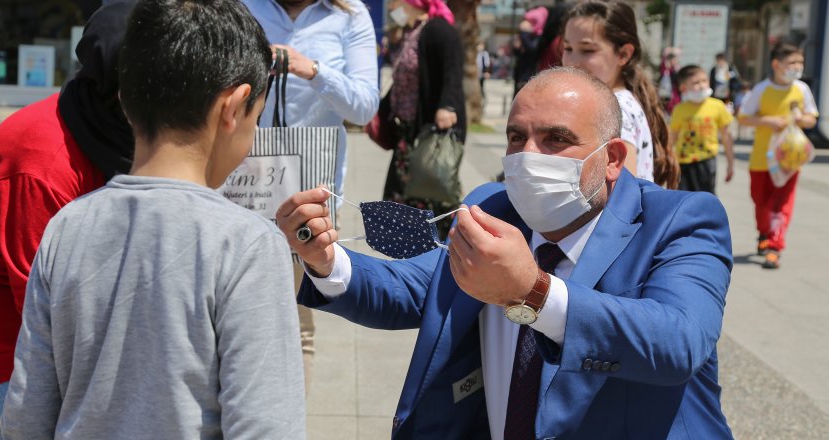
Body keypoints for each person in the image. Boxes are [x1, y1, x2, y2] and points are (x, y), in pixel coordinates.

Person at [279, 67, 734, 439]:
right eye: (517, 137)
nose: (528, 156)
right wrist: (324, 260)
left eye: (556, 139)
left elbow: (679, 342)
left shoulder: (681, 219)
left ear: (612, 158)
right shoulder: (494, 206)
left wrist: (532, 292)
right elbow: (417, 287)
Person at [0, 0, 305, 438]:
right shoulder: (248, 244)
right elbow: (267, 427)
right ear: (234, 108)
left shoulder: (66, 227)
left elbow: (26, 418)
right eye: (256, 119)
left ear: (126, 101)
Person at [0, 0, 135, 415]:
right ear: (123, 86)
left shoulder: (113, 125)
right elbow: (40, 299)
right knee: (43, 419)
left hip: (55, 277)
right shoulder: (43, 161)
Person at [243, 0, 379, 392]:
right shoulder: (245, 7)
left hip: (310, 191)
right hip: (241, 180)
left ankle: (286, 422)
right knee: (237, 307)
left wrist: (313, 70)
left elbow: (365, 106)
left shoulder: (349, 15)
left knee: (296, 318)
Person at [562, 0, 679, 189]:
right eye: (567, 49)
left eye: (588, 50)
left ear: (624, 54)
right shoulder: (615, 100)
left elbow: (623, 191)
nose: (572, 61)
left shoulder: (616, 108)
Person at [382, 0, 466, 238]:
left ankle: (434, 255)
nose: (391, 8)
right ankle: (406, 255)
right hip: (407, 134)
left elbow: (453, 72)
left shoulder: (439, 30)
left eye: (395, 2)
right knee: (401, 201)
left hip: (428, 133)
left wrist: (447, 105)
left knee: (429, 195)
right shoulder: (412, 31)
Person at [738, 43, 818, 269]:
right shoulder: (762, 89)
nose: (797, 67)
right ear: (776, 64)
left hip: (790, 160)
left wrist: (803, 120)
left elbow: (812, 117)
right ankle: (764, 233)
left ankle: (775, 246)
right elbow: (743, 117)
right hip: (762, 159)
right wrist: (767, 121)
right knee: (761, 201)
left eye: (799, 63)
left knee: (782, 204)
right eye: (792, 62)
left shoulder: (801, 89)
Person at [669, 64, 735, 193]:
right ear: (683, 88)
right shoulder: (679, 109)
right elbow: (673, 137)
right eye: (695, 82)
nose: (702, 85)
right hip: (683, 162)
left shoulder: (717, 106)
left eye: (704, 81)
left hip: (706, 161)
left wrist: (730, 163)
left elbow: (726, 137)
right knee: (683, 200)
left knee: (706, 198)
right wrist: (668, 160)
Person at [512, 6, 547, 95]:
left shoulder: (538, 37)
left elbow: (531, 49)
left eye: (531, 21)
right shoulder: (528, 36)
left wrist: (524, 33)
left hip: (530, 78)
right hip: (520, 76)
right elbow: (518, 53)